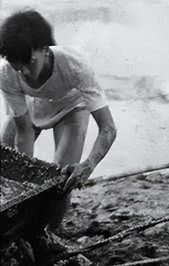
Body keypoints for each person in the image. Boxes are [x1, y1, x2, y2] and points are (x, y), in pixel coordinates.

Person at [0, 9, 117, 229]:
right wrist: (23, 186)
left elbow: (108, 129)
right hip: (35, 104)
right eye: (18, 66)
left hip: (72, 108)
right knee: (5, 162)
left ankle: (48, 232)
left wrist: (89, 165)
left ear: (45, 49)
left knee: (61, 181)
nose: (25, 72)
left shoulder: (75, 66)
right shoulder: (7, 74)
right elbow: (24, 133)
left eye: (30, 63)